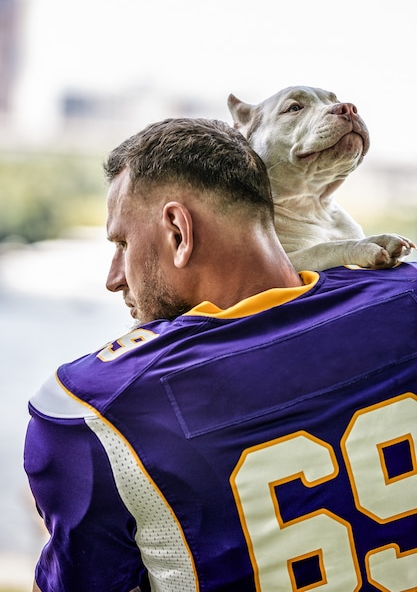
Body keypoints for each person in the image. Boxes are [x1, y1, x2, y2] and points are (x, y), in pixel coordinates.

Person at [24, 118, 417, 592]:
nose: (114, 277)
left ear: (178, 231)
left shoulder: (94, 406)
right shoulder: (404, 298)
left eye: (123, 243)